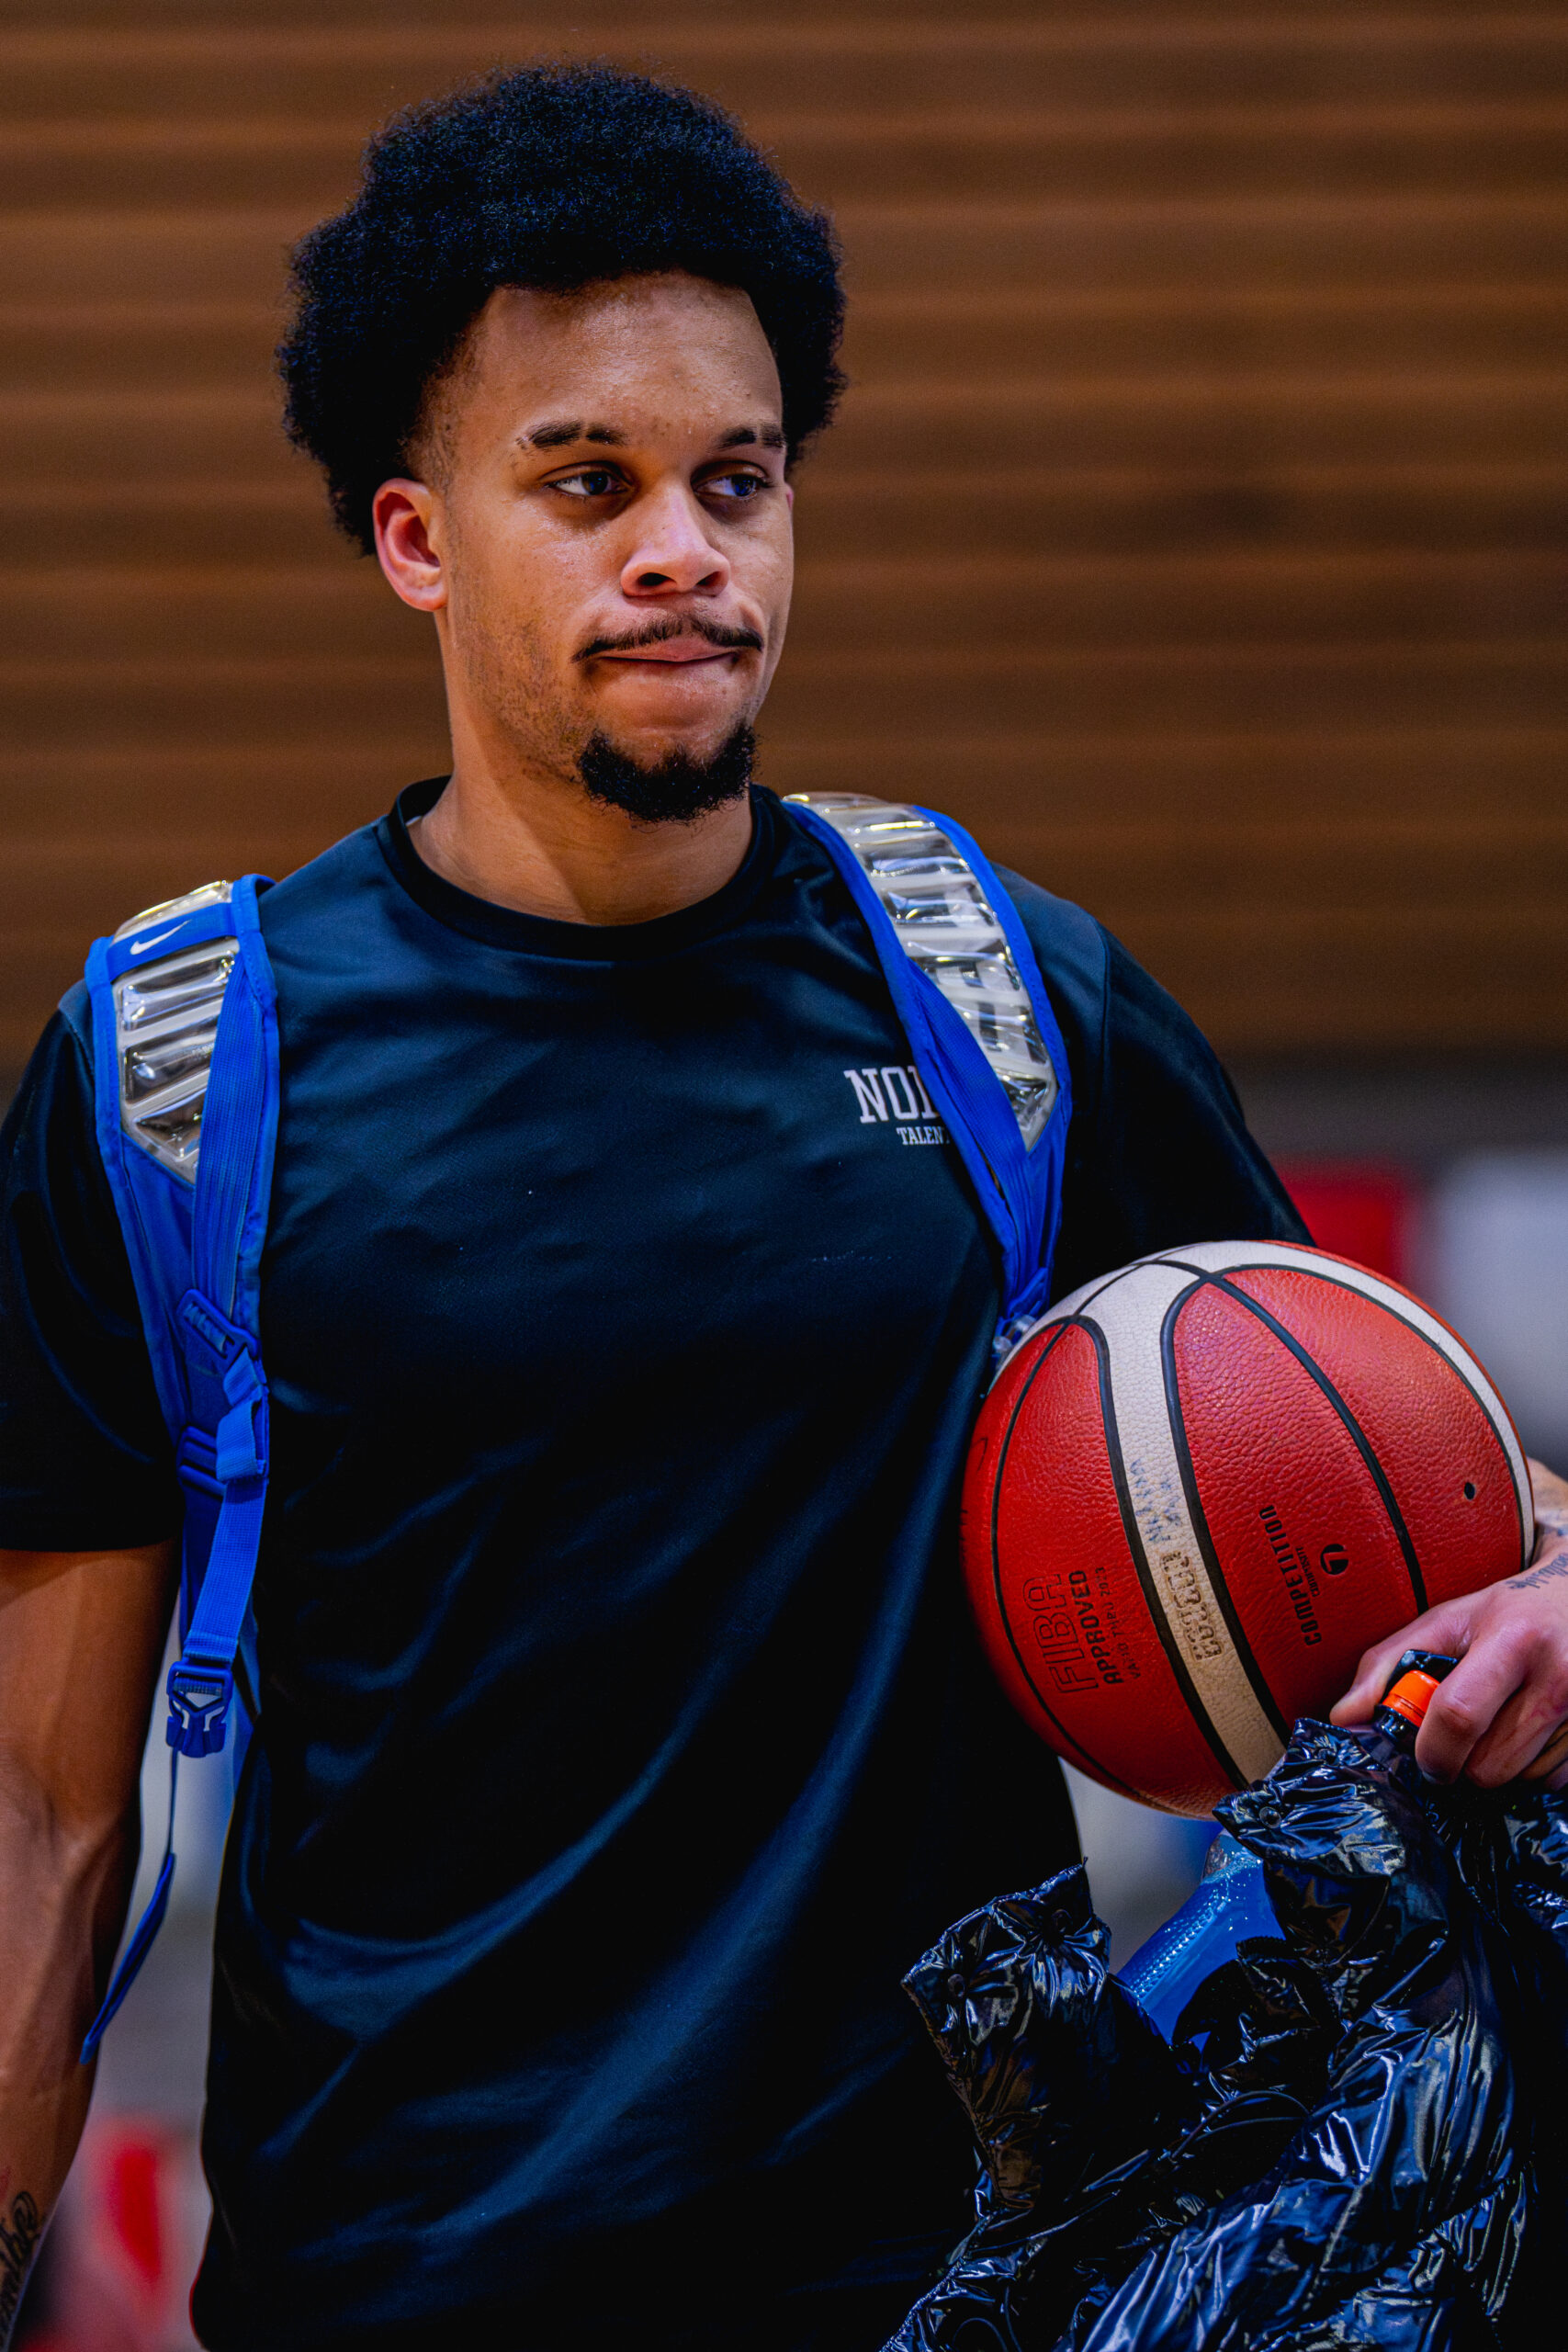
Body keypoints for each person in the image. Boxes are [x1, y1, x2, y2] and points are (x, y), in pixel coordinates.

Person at [1, 62, 1564, 2352]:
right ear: (415, 537)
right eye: (587, 483)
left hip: (957, 2276)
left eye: (734, 480)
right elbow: (44, 1827)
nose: (681, 550)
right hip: (400, 2281)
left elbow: (1396, 1489)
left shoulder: (1000, 994)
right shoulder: (179, 1065)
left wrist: (1548, 1581)